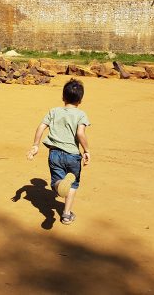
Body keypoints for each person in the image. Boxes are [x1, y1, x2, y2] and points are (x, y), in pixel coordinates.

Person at [27, 78, 91, 225]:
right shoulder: (81, 115)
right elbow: (80, 134)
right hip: (73, 155)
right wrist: (86, 150)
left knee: (57, 181)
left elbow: (41, 126)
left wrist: (35, 145)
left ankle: (58, 185)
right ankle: (66, 215)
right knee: (73, 185)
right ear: (80, 100)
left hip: (55, 154)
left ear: (63, 97)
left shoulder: (54, 111)